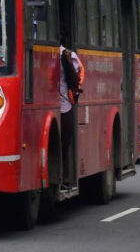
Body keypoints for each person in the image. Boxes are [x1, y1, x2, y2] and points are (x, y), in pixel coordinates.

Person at [60, 45, 84, 188]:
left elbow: (76, 80)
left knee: (65, 142)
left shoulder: (67, 54)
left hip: (64, 105)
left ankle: (65, 178)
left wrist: (68, 62)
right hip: (45, 103)